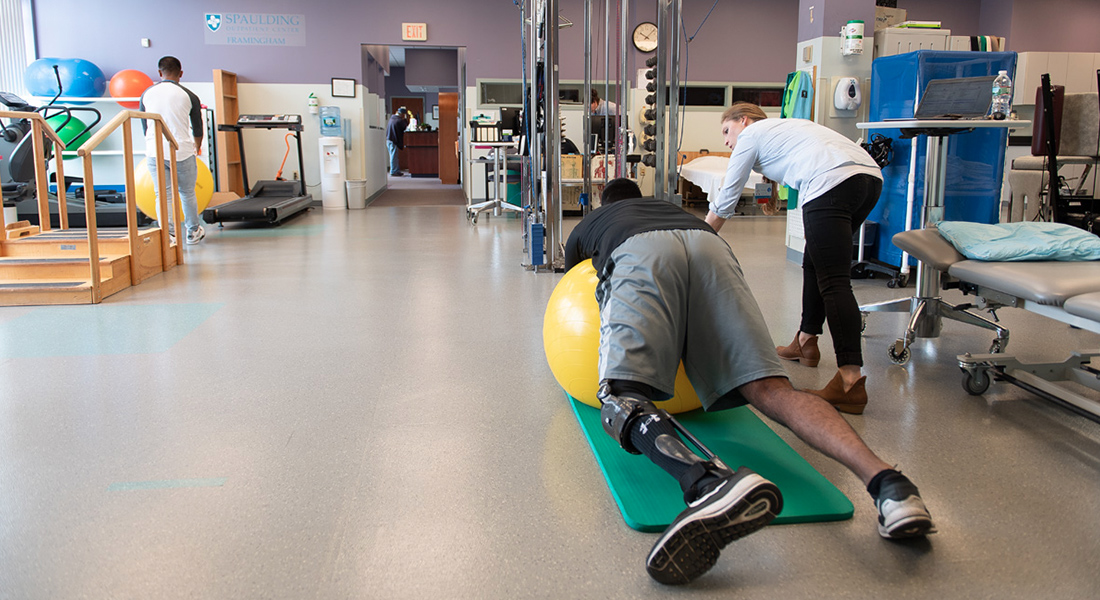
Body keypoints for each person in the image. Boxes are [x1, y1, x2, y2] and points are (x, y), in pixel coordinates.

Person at [564, 178, 934, 586]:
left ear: (604, 204)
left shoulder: (595, 221)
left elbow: (572, 278)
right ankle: (891, 486)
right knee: (773, 390)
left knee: (619, 399)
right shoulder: (672, 209)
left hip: (640, 252)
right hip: (710, 247)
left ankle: (707, 485)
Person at [705, 102, 883, 414]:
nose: (726, 140)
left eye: (726, 131)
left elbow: (727, 196)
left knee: (834, 281)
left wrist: (699, 236)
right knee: (814, 262)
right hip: (868, 179)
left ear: (743, 120)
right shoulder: (785, 129)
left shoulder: (751, 135)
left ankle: (850, 382)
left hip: (830, 181)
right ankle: (805, 341)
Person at [139, 55, 205, 244]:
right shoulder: (189, 95)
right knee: (187, 192)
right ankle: (193, 232)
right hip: (181, 150)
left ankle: (168, 236)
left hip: (155, 150)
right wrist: (197, 146)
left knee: (163, 194)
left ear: (159, 72)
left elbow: (144, 125)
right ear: (181, 73)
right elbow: (198, 127)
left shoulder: (147, 94)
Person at [386, 107, 409, 176]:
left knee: (393, 156)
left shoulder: (392, 118)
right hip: (393, 140)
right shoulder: (399, 120)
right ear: (402, 114)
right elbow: (405, 126)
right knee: (394, 156)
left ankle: (395, 170)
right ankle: (394, 171)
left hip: (389, 139)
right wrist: (405, 119)